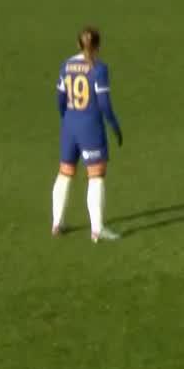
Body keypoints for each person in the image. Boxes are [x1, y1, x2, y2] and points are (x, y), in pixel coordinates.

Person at [53, 26, 124, 240]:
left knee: (65, 172)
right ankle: (97, 228)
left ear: (78, 44)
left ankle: (57, 223)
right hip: (90, 126)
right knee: (96, 175)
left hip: (70, 124)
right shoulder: (99, 69)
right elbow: (104, 104)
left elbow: (59, 98)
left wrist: (65, 117)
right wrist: (114, 125)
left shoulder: (67, 65)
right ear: (98, 46)